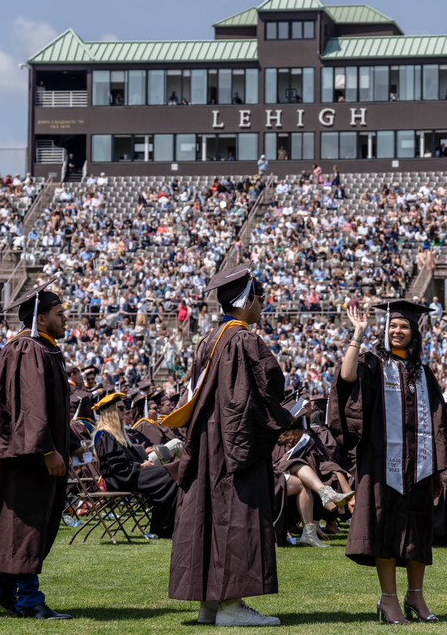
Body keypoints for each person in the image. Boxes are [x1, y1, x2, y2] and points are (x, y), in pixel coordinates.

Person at [162, 264, 294, 627]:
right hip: (233, 446)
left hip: (207, 444)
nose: (262, 304)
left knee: (208, 515)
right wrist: (286, 419)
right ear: (246, 299)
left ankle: (209, 602)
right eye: (259, 298)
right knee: (234, 517)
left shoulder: (209, 340)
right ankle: (232, 604)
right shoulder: (244, 340)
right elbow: (261, 392)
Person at [329, 300, 447, 624]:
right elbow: (346, 378)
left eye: (404, 326)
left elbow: (438, 420)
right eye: (392, 326)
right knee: (384, 528)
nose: (397, 331)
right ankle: (388, 600)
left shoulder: (423, 373)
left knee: (419, 528)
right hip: (381, 465)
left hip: (418, 467)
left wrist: (439, 469)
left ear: (414, 332)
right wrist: (358, 333)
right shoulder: (373, 364)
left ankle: (415, 596)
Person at [0, 279, 73, 620]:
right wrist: (47, 450)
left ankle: (4, 587)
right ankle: (29, 600)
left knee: (20, 523)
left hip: (26, 452)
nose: (64, 319)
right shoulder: (27, 349)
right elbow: (30, 407)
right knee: (25, 525)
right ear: (40, 318)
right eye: (58, 313)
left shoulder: (40, 347)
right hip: (22, 456)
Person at [91, 392, 179, 539]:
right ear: (111, 412)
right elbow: (117, 467)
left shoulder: (118, 433)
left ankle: (163, 528)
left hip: (129, 473)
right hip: (119, 478)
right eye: (120, 408)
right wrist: (141, 467)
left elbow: (127, 460)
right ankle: (161, 528)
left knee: (169, 473)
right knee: (168, 475)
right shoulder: (105, 435)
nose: (124, 410)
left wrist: (143, 464)